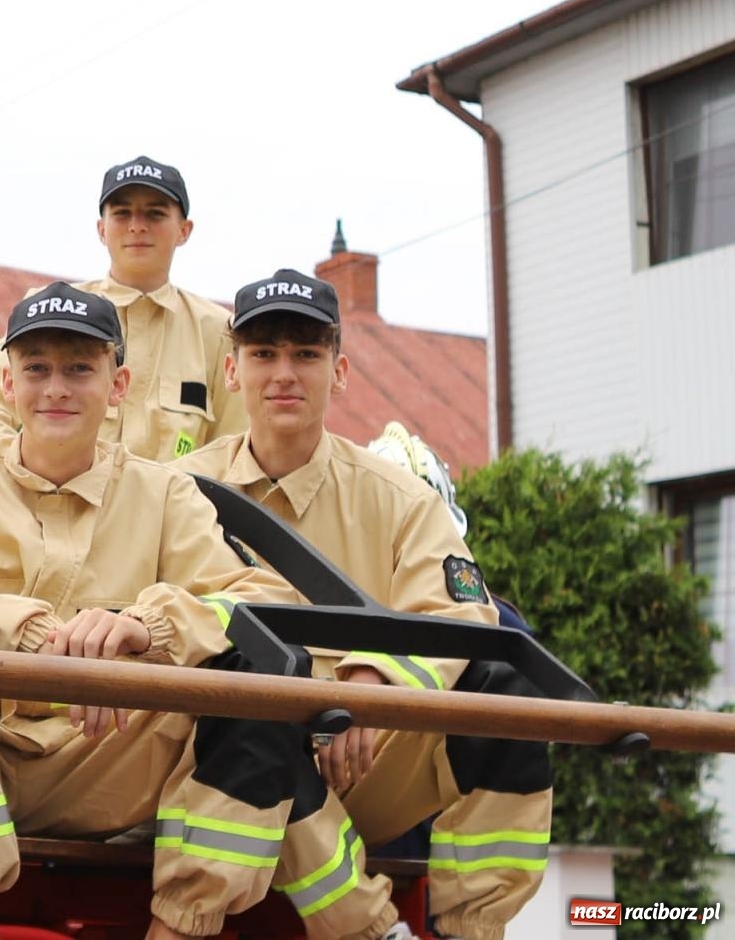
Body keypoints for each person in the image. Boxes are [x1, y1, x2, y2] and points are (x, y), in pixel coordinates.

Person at [0, 282, 301, 940]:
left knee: (265, 669)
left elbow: (264, 604)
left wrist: (146, 628)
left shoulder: (164, 492)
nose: (56, 387)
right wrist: (7, 625)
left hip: (115, 760)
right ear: (8, 385)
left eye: (79, 368)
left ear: (118, 385)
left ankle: (182, 926)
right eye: (37, 368)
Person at [173, 270, 551, 940]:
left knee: (509, 690)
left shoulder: (403, 497)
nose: (283, 373)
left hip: (368, 761)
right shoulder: (173, 490)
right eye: (263, 353)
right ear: (232, 370)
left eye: (306, 354)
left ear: (339, 371)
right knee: (257, 705)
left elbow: (463, 612)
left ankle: (471, 926)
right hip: (218, 768)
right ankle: (371, 930)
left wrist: (377, 680)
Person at [0, 156, 246, 462]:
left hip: (174, 507)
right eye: (122, 214)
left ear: (184, 230)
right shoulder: (48, 311)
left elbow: (234, 447)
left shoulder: (217, 331)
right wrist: (17, 482)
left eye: (155, 214)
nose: (137, 226)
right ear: (101, 229)